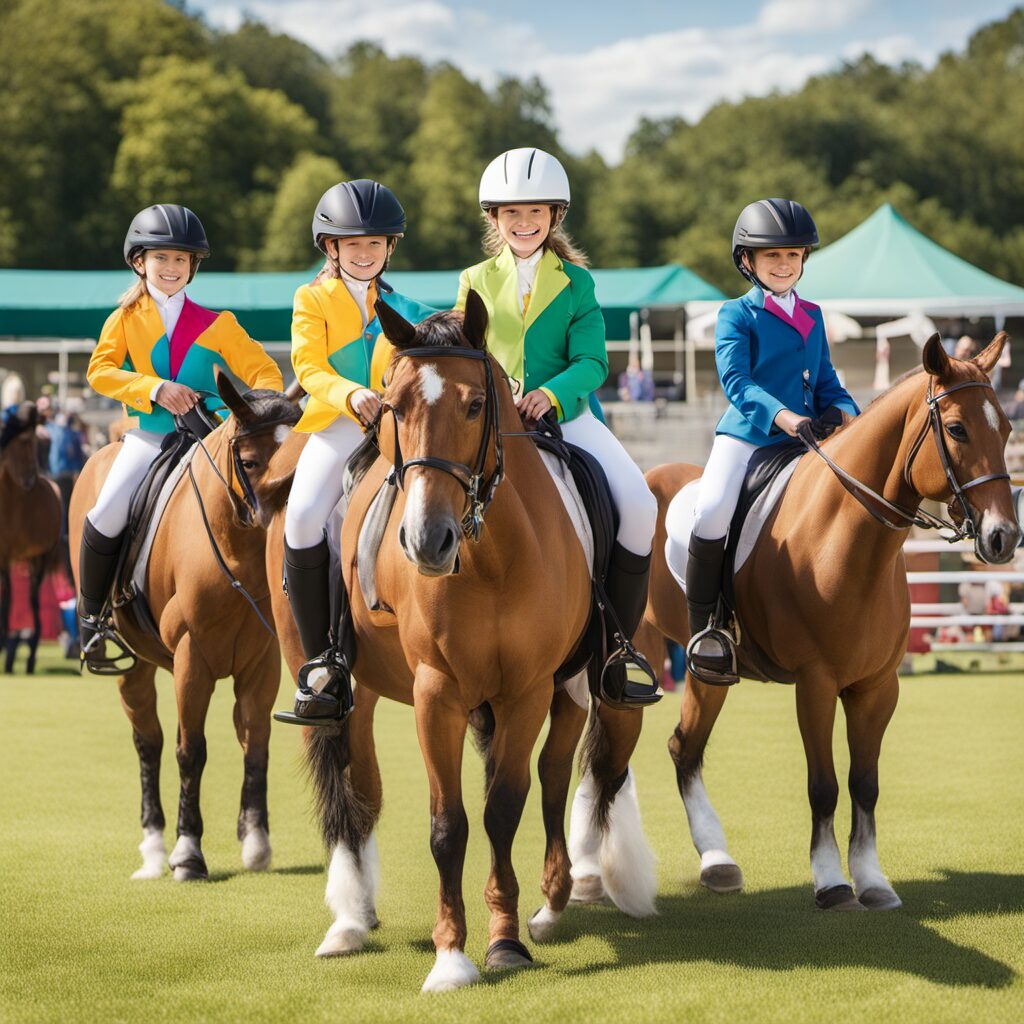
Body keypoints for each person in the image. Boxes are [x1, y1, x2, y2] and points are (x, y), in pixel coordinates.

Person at [456, 147, 659, 706]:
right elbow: (467, 354)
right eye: (513, 215)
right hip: (495, 423)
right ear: (494, 219)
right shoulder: (472, 279)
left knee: (640, 507)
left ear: (554, 218)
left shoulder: (577, 284)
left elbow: (593, 363)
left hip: (567, 419)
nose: (525, 225)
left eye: (536, 214)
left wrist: (550, 395)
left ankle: (617, 646)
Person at [79, 204, 283, 671]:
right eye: (162, 259)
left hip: (208, 441)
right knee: (106, 509)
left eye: (181, 260)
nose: (171, 269)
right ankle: (93, 620)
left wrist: (244, 409)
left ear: (193, 267)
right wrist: (153, 388)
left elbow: (265, 372)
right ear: (140, 262)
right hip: (150, 439)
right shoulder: (125, 319)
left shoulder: (220, 324)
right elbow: (100, 371)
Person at [673, 198, 860, 685]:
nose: (784, 265)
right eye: (772, 256)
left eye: (793, 256)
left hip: (805, 438)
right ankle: (706, 631)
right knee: (712, 509)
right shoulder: (736, 314)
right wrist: (785, 417)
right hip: (749, 437)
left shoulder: (814, 315)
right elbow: (736, 381)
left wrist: (853, 418)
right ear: (748, 262)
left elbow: (827, 384)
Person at [281, 179, 436, 723]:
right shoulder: (311, 300)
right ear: (331, 248)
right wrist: (350, 393)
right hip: (337, 427)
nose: (364, 254)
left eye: (375, 244)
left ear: (389, 248)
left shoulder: (411, 306)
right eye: (353, 245)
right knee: (301, 518)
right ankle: (320, 659)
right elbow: (307, 368)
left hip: (393, 432)